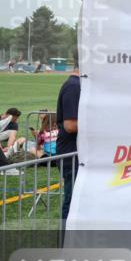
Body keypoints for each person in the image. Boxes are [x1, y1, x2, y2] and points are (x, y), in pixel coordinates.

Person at [56, 66, 81, 222]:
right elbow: (70, 125)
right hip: (71, 153)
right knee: (73, 201)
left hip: (75, 152)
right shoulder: (74, 86)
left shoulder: (77, 85)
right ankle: (65, 240)